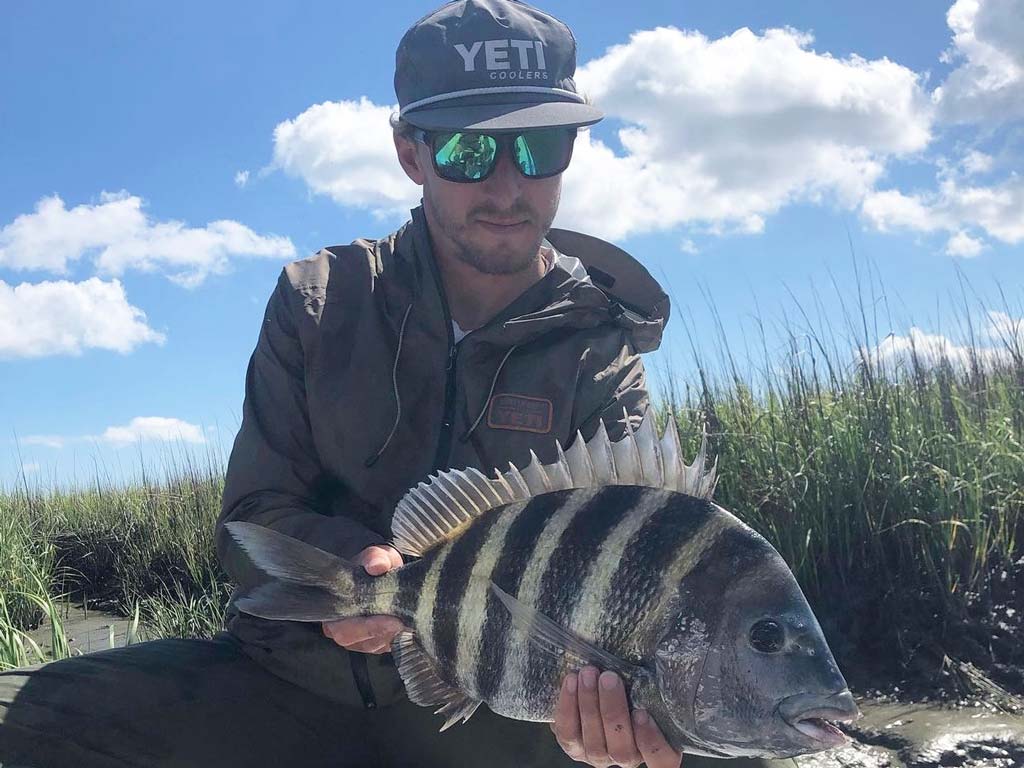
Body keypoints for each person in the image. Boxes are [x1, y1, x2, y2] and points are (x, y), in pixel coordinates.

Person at [0, 1, 783, 766]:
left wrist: (620, 725)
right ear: (412, 154)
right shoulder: (317, 299)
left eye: (539, 147)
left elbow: (637, 556)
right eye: (468, 152)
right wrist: (350, 573)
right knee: (58, 713)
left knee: (725, 747)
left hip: (492, 707)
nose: (509, 187)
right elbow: (253, 516)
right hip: (297, 683)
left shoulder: (599, 351)